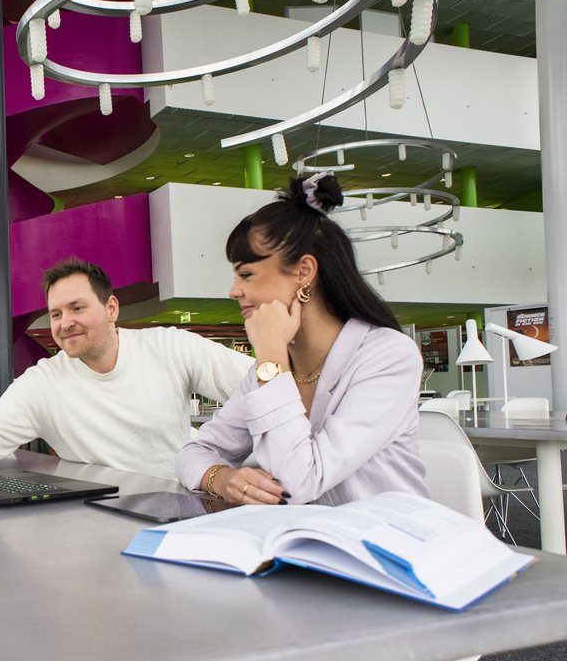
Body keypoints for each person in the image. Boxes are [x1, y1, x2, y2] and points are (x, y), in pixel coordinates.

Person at [176, 173, 431, 507]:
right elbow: (194, 452)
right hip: (305, 544)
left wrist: (270, 353)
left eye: (246, 274)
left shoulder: (388, 355)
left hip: (388, 546)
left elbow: (302, 481)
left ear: (304, 271)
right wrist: (222, 479)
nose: (233, 291)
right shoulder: (269, 370)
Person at [0, 259, 252, 480]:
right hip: (98, 519)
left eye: (77, 308)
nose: (65, 323)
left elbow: (260, 384)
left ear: (111, 309)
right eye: (56, 314)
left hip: (181, 503)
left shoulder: (169, 346)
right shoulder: (41, 383)